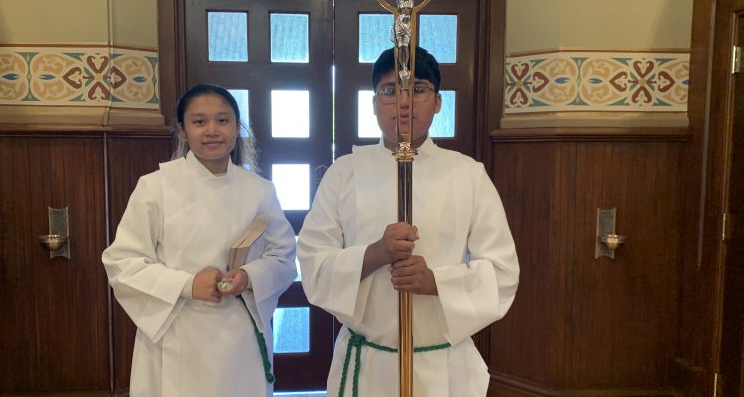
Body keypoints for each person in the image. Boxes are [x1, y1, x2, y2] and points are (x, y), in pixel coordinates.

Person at [297, 47, 520, 397]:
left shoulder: (468, 175)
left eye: (417, 89)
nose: (403, 102)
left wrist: (436, 281)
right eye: (389, 91)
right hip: (368, 364)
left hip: (443, 368)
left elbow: (503, 274)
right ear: (373, 103)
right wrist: (376, 253)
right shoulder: (344, 173)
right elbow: (312, 264)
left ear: (437, 102)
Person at [102, 84, 297, 397]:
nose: (212, 131)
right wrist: (187, 285)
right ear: (183, 130)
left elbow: (284, 258)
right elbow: (122, 262)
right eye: (199, 121)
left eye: (222, 120)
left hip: (239, 332)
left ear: (237, 127)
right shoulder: (156, 187)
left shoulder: (259, 190)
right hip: (177, 328)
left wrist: (249, 276)